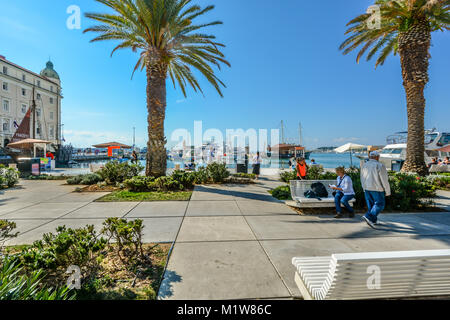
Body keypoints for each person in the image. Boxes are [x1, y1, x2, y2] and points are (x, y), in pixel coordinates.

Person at [360, 151, 391, 228]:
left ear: (370, 157)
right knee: (380, 204)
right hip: (377, 188)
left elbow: (362, 177)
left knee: (371, 206)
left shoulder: (364, 165)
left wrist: (363, 187)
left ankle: (373, 221)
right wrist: (387, 191)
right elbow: (384, 180)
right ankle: (368, 216)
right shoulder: (380, 165)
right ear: (377, 157)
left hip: (367, 188)